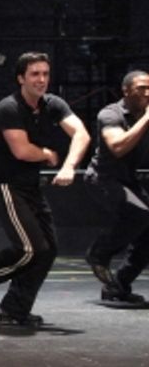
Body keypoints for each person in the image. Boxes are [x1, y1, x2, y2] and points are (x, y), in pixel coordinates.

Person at [0, 52, 90, 327]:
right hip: (7, 188)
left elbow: (81, 133)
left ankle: (14, 309)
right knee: (30, 249)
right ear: (21, 78)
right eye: (35, 74)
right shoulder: (8, 108)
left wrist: (69, 166)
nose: (41, 79)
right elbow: (21, 151)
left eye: (45, 74)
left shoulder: (53, 104)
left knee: (48, 250)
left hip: (31, 188)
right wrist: (47, 153)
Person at [83, 70, 149, 305]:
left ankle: (118, 286)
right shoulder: (110, 114)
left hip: (127, 179)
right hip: (103, 178)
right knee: (140, 214)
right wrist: (147, 118)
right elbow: (118, 147)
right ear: (126, 90)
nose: (147, 93)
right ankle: (98, 253)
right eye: (142, 88)